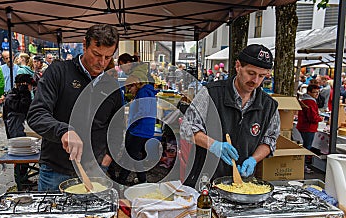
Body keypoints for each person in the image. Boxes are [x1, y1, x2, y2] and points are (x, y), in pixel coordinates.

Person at [27, 24, 122, 191]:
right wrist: (63, 131)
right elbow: (36, 114)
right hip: (55, 170)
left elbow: (117, 126)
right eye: (96, 54)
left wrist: (108, 157)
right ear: (84, 45)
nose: (101, 63)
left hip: (95, 170)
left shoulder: (111, 85)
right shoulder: (59, 72)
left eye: (108, 57)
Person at [180, 44, 280, 187]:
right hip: (204, 177)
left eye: (262, 76)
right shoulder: (210, 93)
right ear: (238, 66)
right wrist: (214, 145)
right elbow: (187, 129)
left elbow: (269, 141)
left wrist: (253, 160)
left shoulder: (269, 105)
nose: (256, 81)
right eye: (251, 73)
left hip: (241, 182)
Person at [117, 64, 157, 185]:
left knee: (129, 156)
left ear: (136, 83)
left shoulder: (143, 92)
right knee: (136, 156)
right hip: (145, 130)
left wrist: (132, 123)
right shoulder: (147, 91)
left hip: (139, 130)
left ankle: (121, 181)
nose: (129, 91)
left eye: (130, 87)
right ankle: (142, 180)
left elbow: (142, 112)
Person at [296, 84, 322, 173]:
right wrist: (320, 118)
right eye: (315, 92)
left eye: (318, 92)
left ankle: (302, 166)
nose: (316, 94)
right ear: (309, 92)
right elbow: (313, 117)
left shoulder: (304, 100)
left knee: (306, 146)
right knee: (307, 147)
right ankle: (303, 166)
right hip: (308, 127)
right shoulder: (311, 102)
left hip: (303, 126)